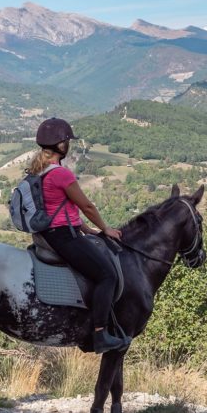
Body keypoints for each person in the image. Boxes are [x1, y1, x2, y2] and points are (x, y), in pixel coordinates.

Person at [30, 117, 127, 353]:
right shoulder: (62, 175)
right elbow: (87, 206)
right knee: (107, 276)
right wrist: (106, 229)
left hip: (51, 233)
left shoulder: (39, 170)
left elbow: (61, 209)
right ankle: (100, 335)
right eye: (67, 142)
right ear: (61, 146)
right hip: (64, 237)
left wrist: (86, 229)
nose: (68, 145)